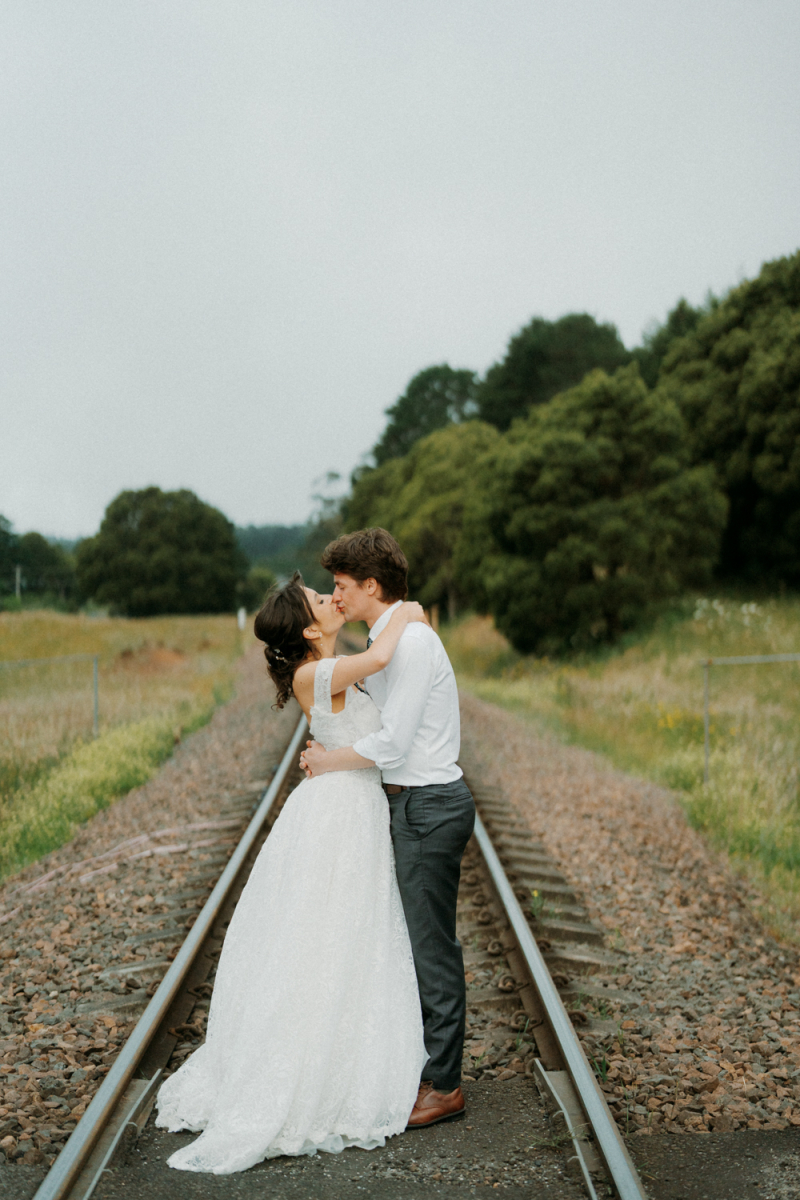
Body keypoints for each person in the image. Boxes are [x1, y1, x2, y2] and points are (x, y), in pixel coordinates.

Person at [155, 574, 427, 1173]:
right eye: (320, 601)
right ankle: (305, 1061)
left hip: (348, 807)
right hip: (337, 813)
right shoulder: (314, 675)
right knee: (323, 933)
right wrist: (406, 609)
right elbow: (382, 655)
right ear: (308, 628)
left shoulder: (331, 665)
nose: (332, 600)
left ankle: (336, 1044)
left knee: (345, 933)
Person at [302, 527, 475, 1129]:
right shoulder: (391, 638)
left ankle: (445, 1085)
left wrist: (329, 761)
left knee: (431, 949)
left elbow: (394, 740)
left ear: (370, 585)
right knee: (415, 943)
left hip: (427, 804)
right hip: (412, 804)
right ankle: (425, 1066)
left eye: (341, 586)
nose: (336, 596)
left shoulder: (412, 644)